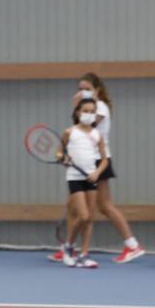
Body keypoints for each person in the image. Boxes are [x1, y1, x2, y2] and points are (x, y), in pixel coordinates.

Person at [52, 73, 145, 264]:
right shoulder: (86, 106)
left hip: (98, 161)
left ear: (97, 90)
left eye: (87, 88)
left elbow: (89, 126)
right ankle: (68, 249)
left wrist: (77, 109)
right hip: (82, 162)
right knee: (73, 206)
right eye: (79, 88)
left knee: (104, 206)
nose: (82, 91)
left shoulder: (99, 107)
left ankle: (132, 245)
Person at [59, 98, 105, 269]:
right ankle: (68, 246)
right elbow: (59, 151)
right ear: (78, 112)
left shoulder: (96, 134)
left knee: (90, 218)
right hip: (74, 178)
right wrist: (63, 158)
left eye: (92, 112)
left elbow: (104, 160)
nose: (88, 114)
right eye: (85, 111)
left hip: (91, 178)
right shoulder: (69, 132)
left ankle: (84, 255)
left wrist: (97, 173)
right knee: (83, 216)